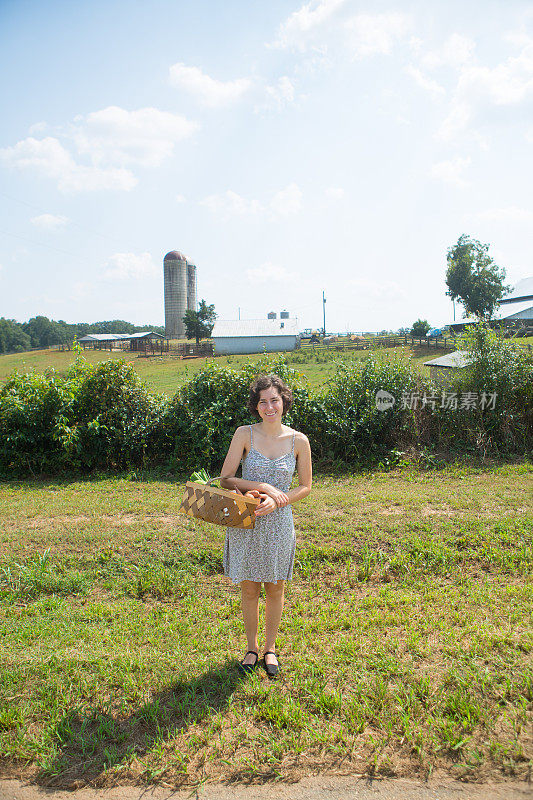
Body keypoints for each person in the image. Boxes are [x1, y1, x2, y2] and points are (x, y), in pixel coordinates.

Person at [219, 373, 312, 679]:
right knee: (249, 588)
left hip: (279, 525)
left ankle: (270, 648)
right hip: (248, 522)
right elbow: (226, 479)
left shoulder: (299, 440)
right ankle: (251, 648)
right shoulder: (244, 434)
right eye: (263, 401)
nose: (269, 406)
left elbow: (305, 487)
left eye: (274, 400)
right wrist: (261, 485)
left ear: (284, 401)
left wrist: (279, 500)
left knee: (275, 588)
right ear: (255, 406)